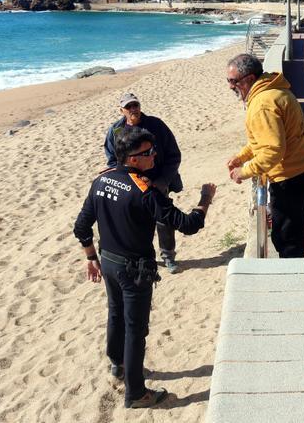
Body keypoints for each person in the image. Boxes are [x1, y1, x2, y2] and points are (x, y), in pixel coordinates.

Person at [75, 126, 216, 409]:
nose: (155, 155)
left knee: (115, 314)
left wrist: (92, 258)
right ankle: (137, 393)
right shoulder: (145, 191)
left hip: (110, 263)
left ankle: (118, 364)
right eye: (149, 152)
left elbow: (81, 226)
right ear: (133, 159)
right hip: (134, 270)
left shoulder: (101, 180)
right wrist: (205, 199)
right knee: (135, 328)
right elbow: (189, 225)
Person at [225, 53, 304, 258]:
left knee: (286, 238)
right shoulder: (271, 90)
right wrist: (242, 156)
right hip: (303, 167)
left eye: (233, 81)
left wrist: (244, 171)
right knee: (289, 231)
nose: (231, 86)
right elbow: (263, 139)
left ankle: (294, 283)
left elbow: (273, 150)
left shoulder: (262, 104)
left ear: (249, 79)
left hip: (291, 176)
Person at [104, 92, 184, 273]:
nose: (133, 109)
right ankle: (142, 257)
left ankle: (168, 256)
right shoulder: (115, 131)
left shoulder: (156, 125)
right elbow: (111, 160)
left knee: (164, 220)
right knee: (135, 222)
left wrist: (162, 181)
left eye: (136, 105)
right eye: (128, 107)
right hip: (131, 186)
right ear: (121, 110)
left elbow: (174, 156)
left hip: (157, 183)